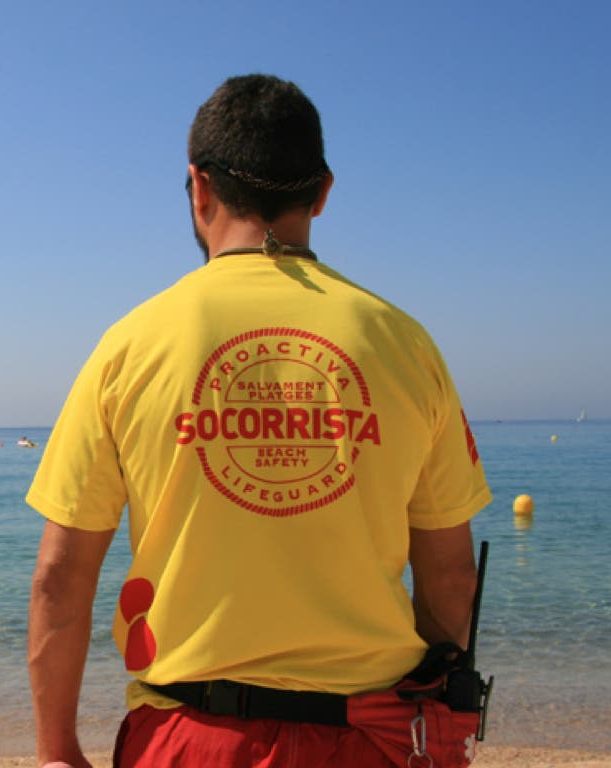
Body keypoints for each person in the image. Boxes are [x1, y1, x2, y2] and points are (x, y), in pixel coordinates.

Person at [26, 74, 492, 768]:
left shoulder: (131, 343)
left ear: (199, 187)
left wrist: (57, 748)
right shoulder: (405, 343)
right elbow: (450, 576)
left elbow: (62, 574)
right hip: (370, 738)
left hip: (190, 738)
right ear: (323, 192)